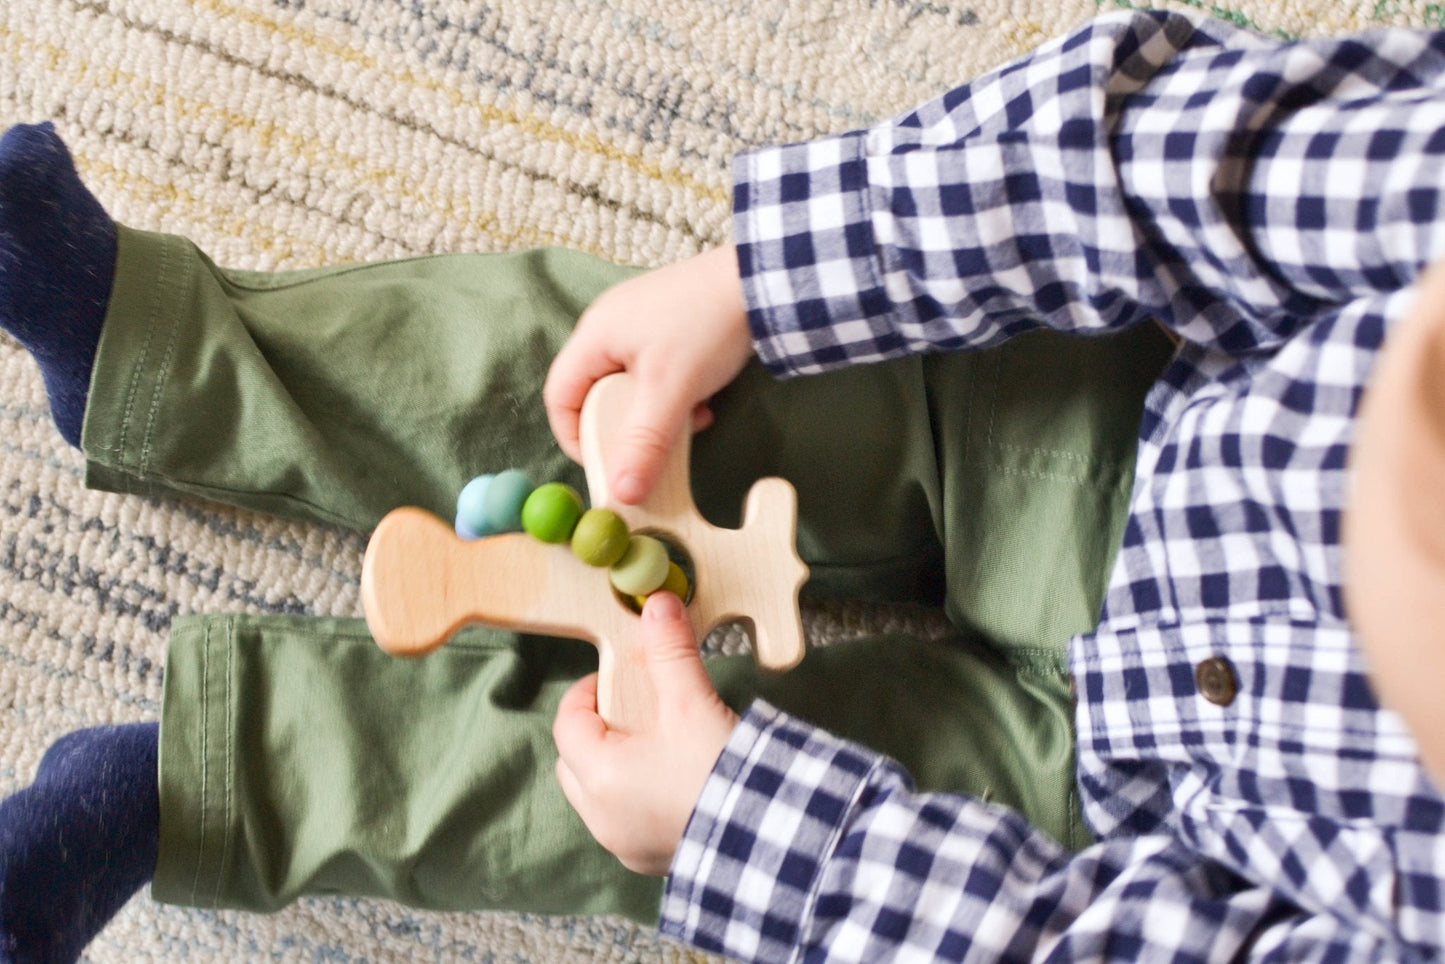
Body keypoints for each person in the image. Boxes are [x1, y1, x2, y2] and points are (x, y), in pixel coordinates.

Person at [2, 6, 1444, 961]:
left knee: (604, 783)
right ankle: (150, 345)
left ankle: (193, 788)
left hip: (1109, 843)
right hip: (1103, 413)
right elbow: (1162, 155)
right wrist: (772, 274)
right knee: (603, 404)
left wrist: (739, 827)